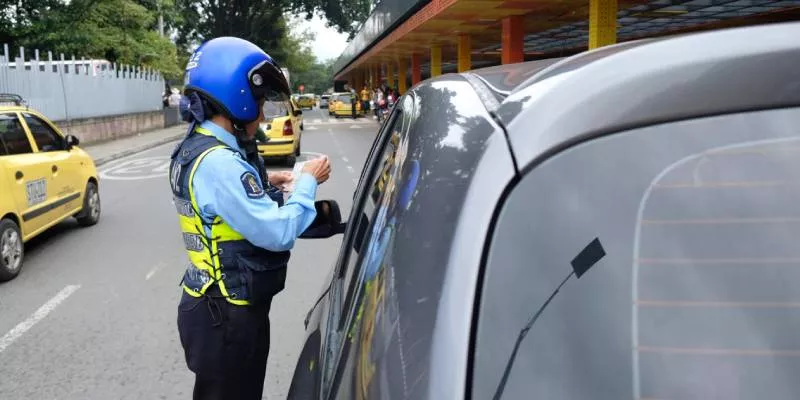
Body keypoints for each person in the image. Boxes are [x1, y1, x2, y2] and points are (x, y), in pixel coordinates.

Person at [170, 36, 332, 400]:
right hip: (228, 316)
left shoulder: (195, 149)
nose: (261, 114)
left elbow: (215, 207)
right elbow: (277, 232)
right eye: (259, 102)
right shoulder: (220, 163)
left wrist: (266, 181)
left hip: (210, 306)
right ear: (235, 96)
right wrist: (306, 182)